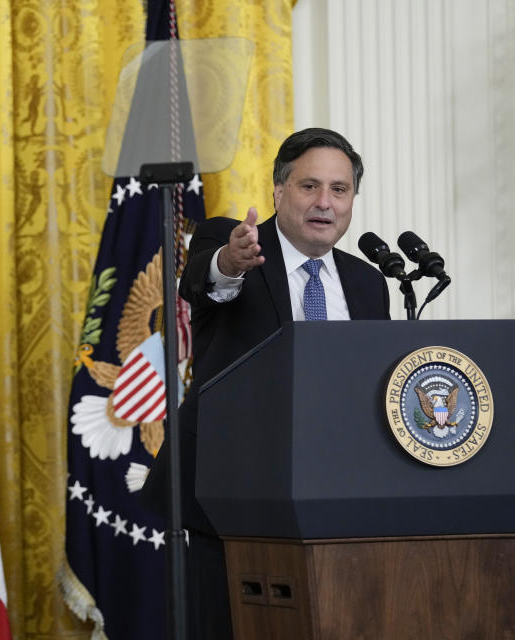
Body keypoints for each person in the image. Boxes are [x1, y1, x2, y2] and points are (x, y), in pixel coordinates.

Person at [143, 128, 391, 638]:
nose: (325, 202)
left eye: (339, 190)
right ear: (279, 191)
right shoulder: (231, 241)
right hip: (234, 497)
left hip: (338, 500)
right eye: (309, 186)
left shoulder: (368, 282)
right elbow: (204, 282)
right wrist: (230, 265)